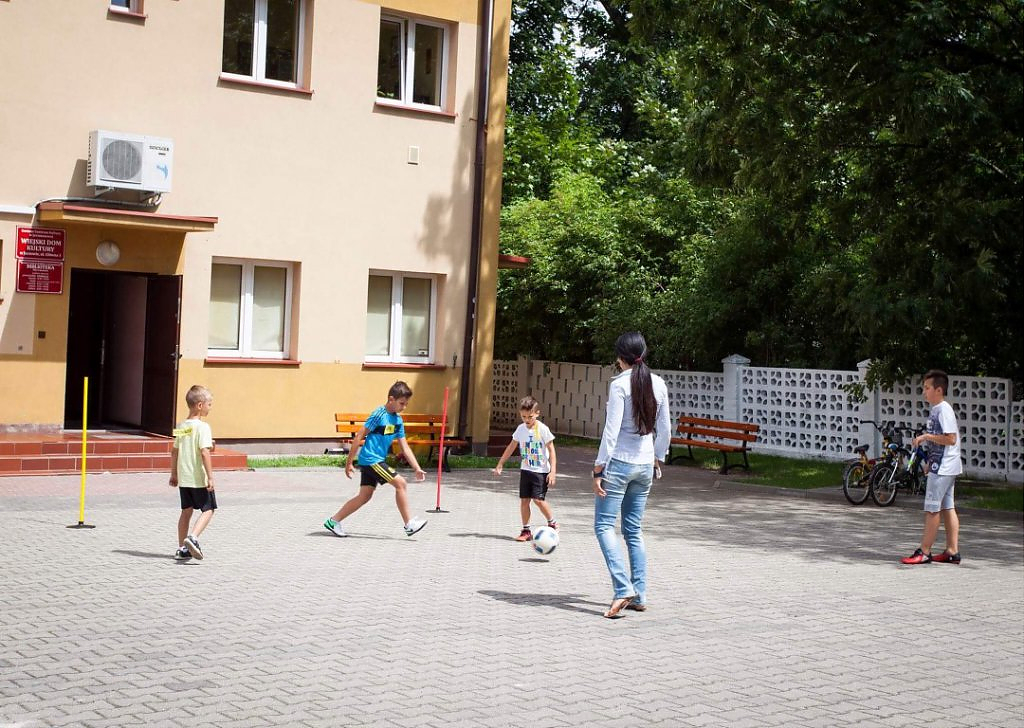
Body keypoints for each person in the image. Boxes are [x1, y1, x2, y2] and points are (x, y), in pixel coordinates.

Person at [593, 332, 671, 618]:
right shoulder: (659, 383)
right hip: (645, 465)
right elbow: (666, 430)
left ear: (619, 358)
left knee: (603, 526)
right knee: (633, 531)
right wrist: (657, 458)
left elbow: (611, 431)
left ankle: (622, 588)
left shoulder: (619, 385)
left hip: (619, 464)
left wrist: (599, 467)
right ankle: (639, 594)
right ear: (644, 353)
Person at [324, 381, 428, 537]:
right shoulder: (379, 414)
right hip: (371, 460)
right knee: (401, 484)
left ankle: (333, 521)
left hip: (376, 460)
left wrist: (417, 468)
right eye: (401, 403)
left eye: (406, 404)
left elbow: (405, 447)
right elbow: (359, 436)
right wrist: (349, 462)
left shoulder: (398, 421)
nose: (404, 407)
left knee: (364, 496)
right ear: (391, 399)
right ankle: (409, 524)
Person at [901, 369, 963, 565]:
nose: (924, 392)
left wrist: (926, 437)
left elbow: (950, 439)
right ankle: (952, 551)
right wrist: (929, 461)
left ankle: (925, 551)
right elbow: (942, 442)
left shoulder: (943, 410)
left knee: (932, 509)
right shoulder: (938, 409)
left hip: (943, 468)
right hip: (943, 465)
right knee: (947, 506)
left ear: (938, 390)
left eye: (927, 388)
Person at [491, 396, 558, 541]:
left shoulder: (542, 429)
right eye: (523, 416)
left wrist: (553, 471)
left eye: (530, 417)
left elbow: (552, 451)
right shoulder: (520, 429)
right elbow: (511, 446)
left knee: (538, 500)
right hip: (526, 470)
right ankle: (526, 530)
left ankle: (552, 523)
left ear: (537, 413)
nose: (527, 420)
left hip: (541, 471)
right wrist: (500, 463)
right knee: (524, 500)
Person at [170, 385, 216, 561]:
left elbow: (175, 451)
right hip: (198, 478)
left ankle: (182, 549)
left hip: (184, 478)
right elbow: (204, 452)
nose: (210, 408)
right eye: (209, 404)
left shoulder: (181, 426)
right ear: (200, 405)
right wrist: (210, 477)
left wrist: (173, 474)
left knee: (186, 511)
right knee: (209, 509)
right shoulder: (203, 427)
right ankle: (193, 537)